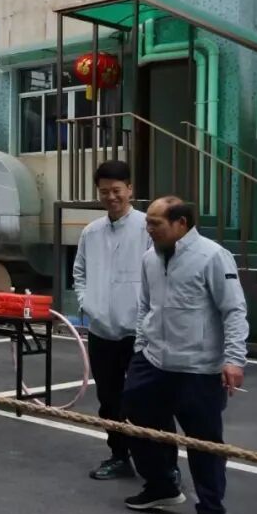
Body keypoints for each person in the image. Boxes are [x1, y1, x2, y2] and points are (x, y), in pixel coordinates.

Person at [122, 197, 248, 514]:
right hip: (154, 361)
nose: (148, 229)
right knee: (137, 418)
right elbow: (145, 306)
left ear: (181, 223)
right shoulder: (150, 258)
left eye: (155, 223)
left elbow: (234, 310)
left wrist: (234, 358)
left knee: (203, 442)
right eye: (147, 222)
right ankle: (162, 485)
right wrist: (140, 347)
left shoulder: (213, 256)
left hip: (198, 368)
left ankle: (212, 513)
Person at [73, 160, 152, 480]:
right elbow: (79, 272)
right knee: (108, 400)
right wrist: (87, 304)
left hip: (139, 333)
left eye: (117, 190)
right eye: (104, 191)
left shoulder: (148, 227)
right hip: (101, 331)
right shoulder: (91, 232)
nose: (111, 197)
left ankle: (159, 466)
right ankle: (119, 456)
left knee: (144, 400)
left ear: (130, 189)